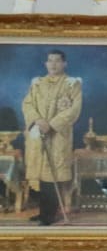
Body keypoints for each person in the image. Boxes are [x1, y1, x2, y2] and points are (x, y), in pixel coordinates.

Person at [23, 50, 81, 226]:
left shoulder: (72, 84)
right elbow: (27, 104)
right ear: (46, 64)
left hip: (57, 136)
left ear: (64, 63)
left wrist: (52, 124)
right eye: (50, 61)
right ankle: (43, 212)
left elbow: (74, 110)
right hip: (38, 133)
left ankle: (49, 215)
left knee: (52, 175)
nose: (53, 64)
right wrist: (37, 120)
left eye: (57, 61)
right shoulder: (37, 83)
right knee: (41, 176)